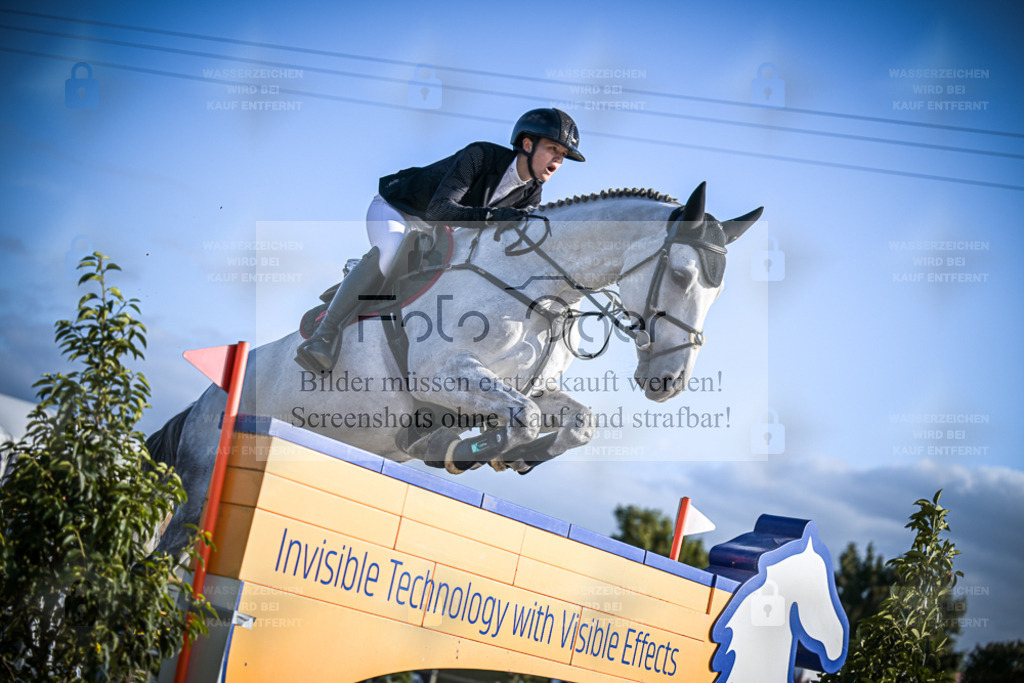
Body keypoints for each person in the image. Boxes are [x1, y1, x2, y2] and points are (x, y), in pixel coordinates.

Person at [294, 107, 585, 373]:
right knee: (393, 251)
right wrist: (493, 216)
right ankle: (323, 336)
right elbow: (439, 211)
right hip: (400, 210)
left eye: (562, 155)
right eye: (552, 149)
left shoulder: (531, 193)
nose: (558, 161)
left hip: (441, 230)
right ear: (527, 144)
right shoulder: (481, 155)